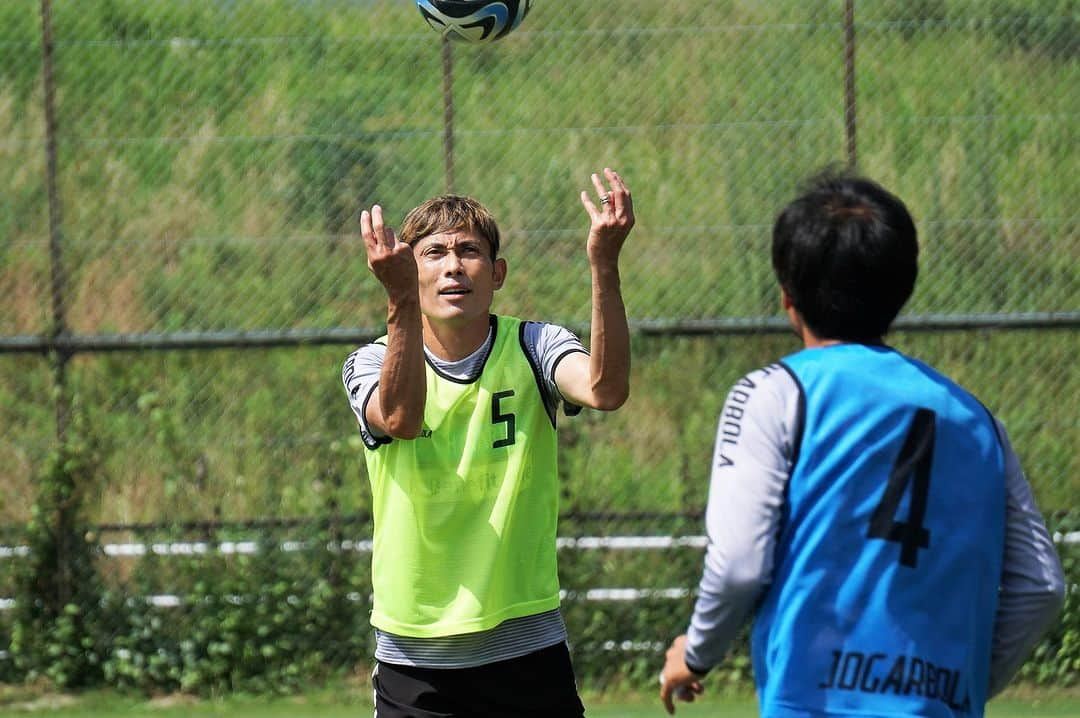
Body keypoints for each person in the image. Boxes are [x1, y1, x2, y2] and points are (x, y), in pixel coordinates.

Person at [659, 172, 1065, 717]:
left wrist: (697, 653)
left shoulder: (776, 393)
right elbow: (1041, 586)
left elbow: (738, 564)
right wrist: (959, 684)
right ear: (904, 286)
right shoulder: (977, 421)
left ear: (787, 294)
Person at [342, 168, 634, 717]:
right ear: (410, 270)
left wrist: (604, 264)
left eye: (469, 251)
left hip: (525, 644)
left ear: (496, 273)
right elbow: (401, 417)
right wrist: (400, 302)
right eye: (433, 253)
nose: (454, 265)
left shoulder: (534, 344)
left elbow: (605, 388)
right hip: (415, 655)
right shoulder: (371, 362)